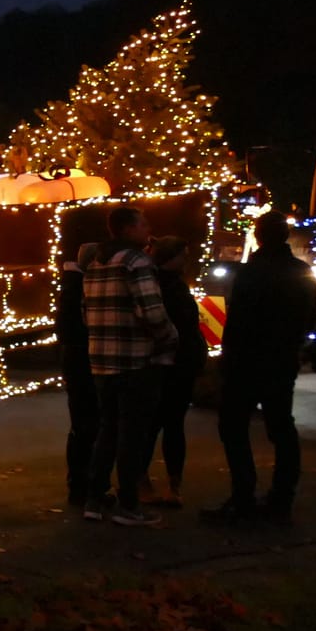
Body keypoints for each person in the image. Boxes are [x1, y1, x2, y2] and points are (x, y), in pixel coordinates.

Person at [202, 214, 316, 525]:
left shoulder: (251, 273)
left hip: (247, 362)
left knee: (234, 428)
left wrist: (226, 359)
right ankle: (281, 499)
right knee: (282, 429)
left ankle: (243, 497)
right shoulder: (302, 272)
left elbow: (239, 320)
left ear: (259, 235)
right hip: (282, 360)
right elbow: (311, 316)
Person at [82, 206, 179, 526]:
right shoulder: (137, 262)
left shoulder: (95, 263)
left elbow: (86, 313)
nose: (148, 230)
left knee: (107, 430)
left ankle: (94, 500)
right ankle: (128, 505)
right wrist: (170, 338)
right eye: (144, 224)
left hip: (101, 361)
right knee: (132, 435)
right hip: (136, 361)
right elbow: (151, 311)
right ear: (127, 229)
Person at [142, 236, 207, 508]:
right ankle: (168, 483)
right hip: (172, 362)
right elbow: (177, 325)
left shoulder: (160, 283)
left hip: (170, 363)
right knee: (166, 424)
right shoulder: (168, 287)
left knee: (156, 425)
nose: (187, 260)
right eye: (183, 254)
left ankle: (150, 481)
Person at [57, 242, 102, 505]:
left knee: (81, 425)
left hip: (74, 361)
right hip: (83, 361)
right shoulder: (80, 288)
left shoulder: (71, 284)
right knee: (88, 425)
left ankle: (80, 483)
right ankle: (82, 485)